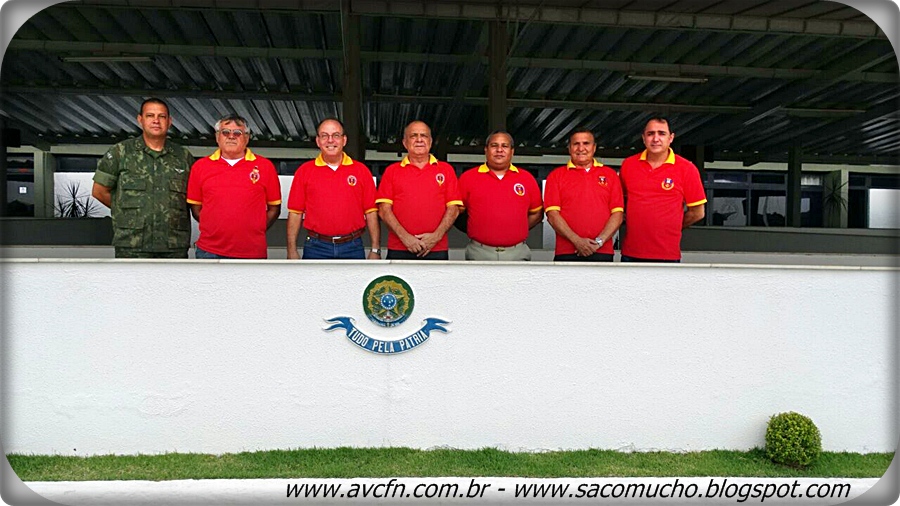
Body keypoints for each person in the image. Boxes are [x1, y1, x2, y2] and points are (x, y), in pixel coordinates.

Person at [92, 98, 195, 258]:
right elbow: (99, 191)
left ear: (169, 122)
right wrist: (128, 214)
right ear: (140, 120)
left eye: (161, 116)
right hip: (132, 245)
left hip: (173, 245)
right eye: (150, 115)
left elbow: (194, 198)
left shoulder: (183, 156)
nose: (156, 121)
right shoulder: (121, 152)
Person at [186, 114, 282, 259]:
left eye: (237, 133)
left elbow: (274, 208)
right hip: (209, 251)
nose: (231, 136)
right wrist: (215, 227)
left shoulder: (265, 167)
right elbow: (196, 208)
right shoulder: (200, 167)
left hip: (252, 251)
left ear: (247, 138)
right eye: (225, 132)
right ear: (217, 136)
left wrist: (256, 228)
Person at [286, 118, 380, 260]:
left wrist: (375, 249)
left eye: (336, 135)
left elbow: (371, 212)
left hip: (353, 247)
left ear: (344, 140)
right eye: (324, 136)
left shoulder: (361, 171)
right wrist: (291, 250)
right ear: (318, 141)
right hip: (316, 247)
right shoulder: (304, 171)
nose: (330, 140)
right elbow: (295, 213)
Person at [619, 117, 707, 262]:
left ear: (671, 138)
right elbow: (618, 203)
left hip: (667, 254)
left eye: (661, 133)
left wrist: (672, 226)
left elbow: (698, 213)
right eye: (650, 134)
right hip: (631, 252)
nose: (656, 139)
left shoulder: (687, 168)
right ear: (643, 138)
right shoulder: (628, 165)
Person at [376, 121, 462, 260]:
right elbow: (384, 210)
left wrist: (435, 238)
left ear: (431, 142)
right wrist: (405, 238)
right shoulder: (392, 171)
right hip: (399, 247)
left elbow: (454, 209)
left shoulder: (446, 170)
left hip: (436, 248)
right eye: (413, 136)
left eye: (424, 135)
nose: (419, 140)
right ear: (405, 143)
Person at [457, 130, 543, 261]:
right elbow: (455, 214)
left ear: (512, 151)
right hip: (479, 252)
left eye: (505, 146)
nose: (499, 150)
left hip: (517, 252)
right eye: (494, 145)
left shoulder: (527, 179)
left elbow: (537, 213)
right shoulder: (468, 178)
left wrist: (516, 228)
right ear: (486, 150)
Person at [544, 130, 623, 262]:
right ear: (569, 148)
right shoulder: (556, 176)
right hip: (567, 252)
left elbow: (618, 214)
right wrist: (577, 241)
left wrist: (599, 242)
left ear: (594, 147)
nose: (581, 148)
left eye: (586, 143)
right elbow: (552, 215)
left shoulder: (610, 175)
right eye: (576, 144)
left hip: (602, 251)